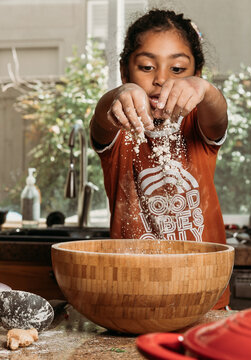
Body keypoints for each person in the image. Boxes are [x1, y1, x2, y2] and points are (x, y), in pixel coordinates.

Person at [91, 8, 229, 308]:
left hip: (205, 298)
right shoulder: (119, 129)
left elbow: (218, 115)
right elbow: (101, 119)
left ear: (197, 72)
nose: (161, 79)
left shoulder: (198, 125)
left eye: (177, 69)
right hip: (132, 298)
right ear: (125, 71)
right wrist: (118, 95)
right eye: (146, 67)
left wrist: (205, 91)